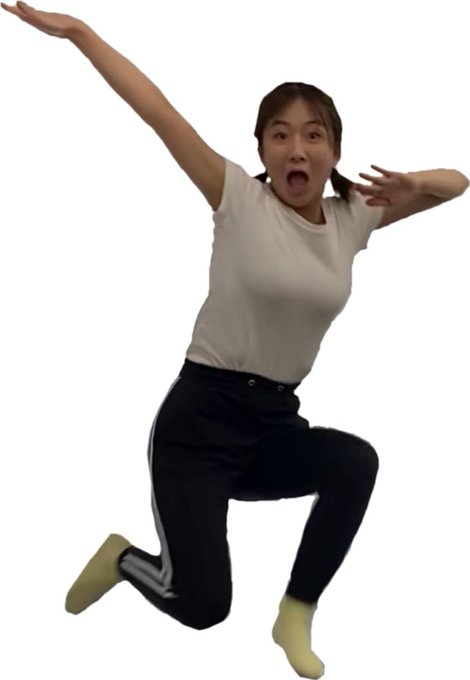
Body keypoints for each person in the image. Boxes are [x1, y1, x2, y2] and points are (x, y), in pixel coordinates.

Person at [4, 4, 468, 680]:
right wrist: (79, 34)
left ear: (334, 151)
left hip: (272, 426)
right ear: (262, 150)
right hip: (198, 428)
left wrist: (415, 183)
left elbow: (458, 183)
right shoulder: (237, 199)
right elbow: (156, 111)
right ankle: (123, 560)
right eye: (280, 135)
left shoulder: (352, 217)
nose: (296, 149)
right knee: (202, 605)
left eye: (313, 135)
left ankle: (295, 614)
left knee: (355, 462)